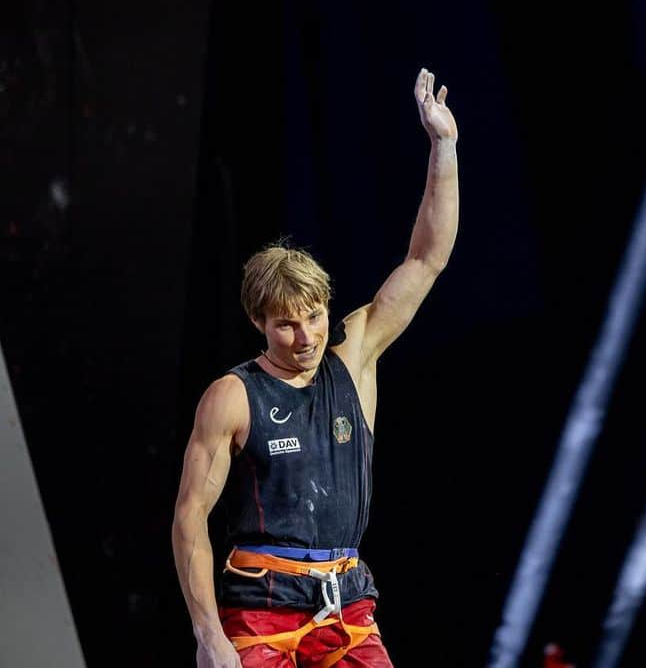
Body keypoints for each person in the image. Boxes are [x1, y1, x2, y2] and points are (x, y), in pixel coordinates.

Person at [172, 67, 458, 668]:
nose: (305, 336)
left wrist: (443, 147)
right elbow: (190, 519)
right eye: (286, 324)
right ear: (259, 323)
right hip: (261, 606)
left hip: (346, 604)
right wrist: (208, 635)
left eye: (314, 316)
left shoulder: (353, 354)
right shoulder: (232, 395)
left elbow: (426, 259)